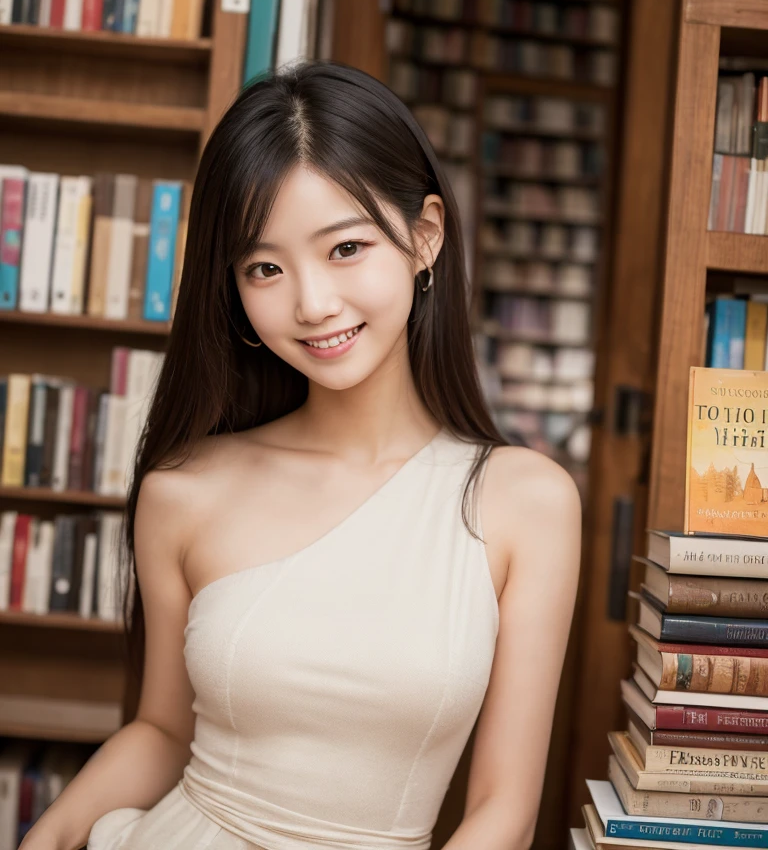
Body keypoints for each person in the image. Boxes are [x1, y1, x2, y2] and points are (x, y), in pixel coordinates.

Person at [21, 61, 581, 850]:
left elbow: (502, 811)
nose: (312, 302)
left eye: (345, 247)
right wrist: (48, 834)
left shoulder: (525, 502)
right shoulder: (185, 489)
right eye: (265, 268)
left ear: (425, 236)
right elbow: (161, 731)